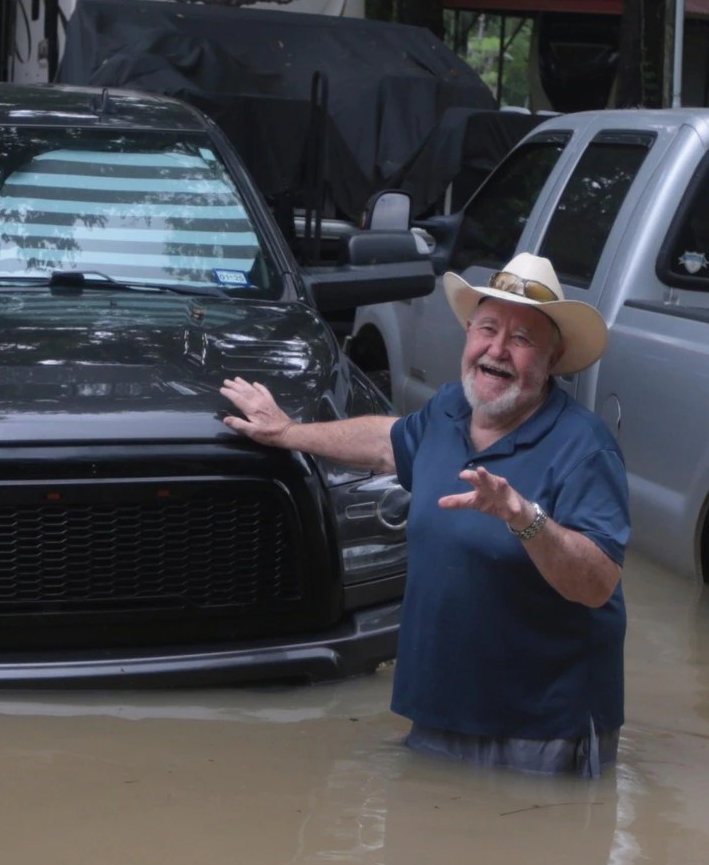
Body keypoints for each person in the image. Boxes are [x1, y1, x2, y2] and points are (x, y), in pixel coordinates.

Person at [222, 250, 630, 776]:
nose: (498, 350)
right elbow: (387, 443)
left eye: (523, 339)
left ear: (554, 358)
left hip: (542, 728)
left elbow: (597, 585)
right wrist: (287, 432)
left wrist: (523, 517)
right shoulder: (447, 410)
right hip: (438, 711)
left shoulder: (585, 447)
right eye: (487, 328)